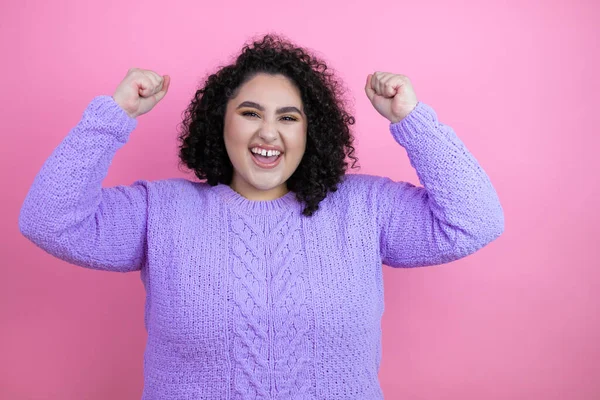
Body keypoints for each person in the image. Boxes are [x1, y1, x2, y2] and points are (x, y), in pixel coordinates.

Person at [19, 34, 504, 399]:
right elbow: (49, 220)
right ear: (220, 121)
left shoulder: (365, 208)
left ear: (311, 132)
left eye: (288, 117)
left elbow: (475, 220)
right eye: (250, 112)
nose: (269, 132)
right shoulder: (160, 211)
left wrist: (411, 119)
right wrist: (113, 114)